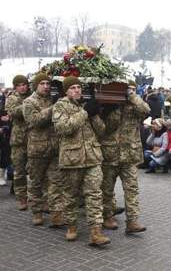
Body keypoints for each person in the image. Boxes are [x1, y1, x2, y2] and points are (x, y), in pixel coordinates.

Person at [52, 76, 110, 246]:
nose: (77, 90)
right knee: (70, 196)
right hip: (72, 160)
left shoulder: (86, 106)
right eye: (73, 88)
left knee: (94, 194)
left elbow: (102, 131)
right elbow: (63, 128)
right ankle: (71, 226)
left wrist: (94, 114)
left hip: (92, 158)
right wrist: (84, 113)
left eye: (79, 87)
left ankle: (96, 232)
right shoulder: (60, 105)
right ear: (66, 91)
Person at [98, 80, 149, 234]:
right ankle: (107, 216)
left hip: (129, 155)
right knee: (107, 189)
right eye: (127, 89)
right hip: (110, 154)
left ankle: (132, 221)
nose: (129, 92)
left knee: (132, 189)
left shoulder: (135, 106)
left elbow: (146, 110)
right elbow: (104, 128)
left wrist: (132, 97)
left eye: (132, 89)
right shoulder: (110, 105)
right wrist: (113, 107)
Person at [22, 73, 64, 227]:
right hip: (37, 150)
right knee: (35, 182)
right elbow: (34, 120)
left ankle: (56, 213)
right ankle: (37, 212)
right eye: (42, 84)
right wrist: (53, 108)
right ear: (36, 85)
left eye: (48, 84)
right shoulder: (28, 102)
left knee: (55, 182)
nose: (46, 86)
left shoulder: (52, 100)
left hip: (53, 149)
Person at [5, 75, 30, 210]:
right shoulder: (12, 98)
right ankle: (22, 198)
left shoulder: (31, 96)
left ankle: (36, 197)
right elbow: (13, 113)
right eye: (20, 85)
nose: (23, 87)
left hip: (32, 139)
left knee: (34, 171)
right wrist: (27, 105)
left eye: (25, 84)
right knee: (19, 171)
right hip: (18, 140)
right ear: (15, 86)